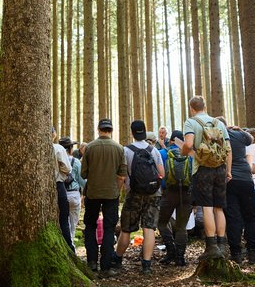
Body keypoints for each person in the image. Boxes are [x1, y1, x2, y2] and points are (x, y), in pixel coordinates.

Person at [182, 96, 232, 260]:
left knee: (207, 207)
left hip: (202, 169)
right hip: (220, 169)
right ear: (205, 106)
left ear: (191, 108)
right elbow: (228, 149)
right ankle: (222, 244)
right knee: (219, 207)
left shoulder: (191, 122)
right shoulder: (219, 124)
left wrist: (184, 152)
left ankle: (211, 247)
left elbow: (188, 145)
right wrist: (228, 171)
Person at [114, 120, 165, 274]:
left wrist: (118, 191)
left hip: (134, 194)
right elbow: (162, 173)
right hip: (153, 194)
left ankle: (117, 259)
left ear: (132, 132)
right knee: (149, 228)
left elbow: (122, 176)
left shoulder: (126, 150)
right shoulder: (153, 150)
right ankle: (147, 265)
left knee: (126, 229)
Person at [81, 119, 127, 277]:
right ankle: (106, 267)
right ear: (111, 130)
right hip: (111, 194)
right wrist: (117, 190)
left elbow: (83, 174)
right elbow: (122, 175)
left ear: (99, 129)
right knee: (109, 228)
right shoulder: (119, 148)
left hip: (92, 193)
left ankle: (92, 263)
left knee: (90, 226)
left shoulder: (90, 147)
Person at [222, 121, 255, 264]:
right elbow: (251, 139)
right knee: (250, 216)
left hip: (230, 180)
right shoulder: (237, 134)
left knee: (233, 217)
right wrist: (239, 129)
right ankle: (253, 252)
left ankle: (236, 252)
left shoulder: (218, 136)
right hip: (246, 178)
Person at [157, 130, 193, 266]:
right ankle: (180, 257)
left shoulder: (163, 153)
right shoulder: (190, 155)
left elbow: (158, 173)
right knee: (181, 227)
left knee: (161, 223)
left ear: (170, 140)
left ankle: (170, 251)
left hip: (168, 193)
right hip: (186, 193)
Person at [59, 136, 86, 245]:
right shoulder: (76, 162)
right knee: (72, 226)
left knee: (62, 225)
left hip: (60, 195)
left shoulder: (57, 160)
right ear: (70, 149)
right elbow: (82, 181)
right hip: (74, 195)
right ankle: (71, 249)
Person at [52, 128, 75, 253]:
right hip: (58, 185)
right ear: (53, 135)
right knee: (63, 219)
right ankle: (69, 248)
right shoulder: (58, 148)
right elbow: (67, 168)